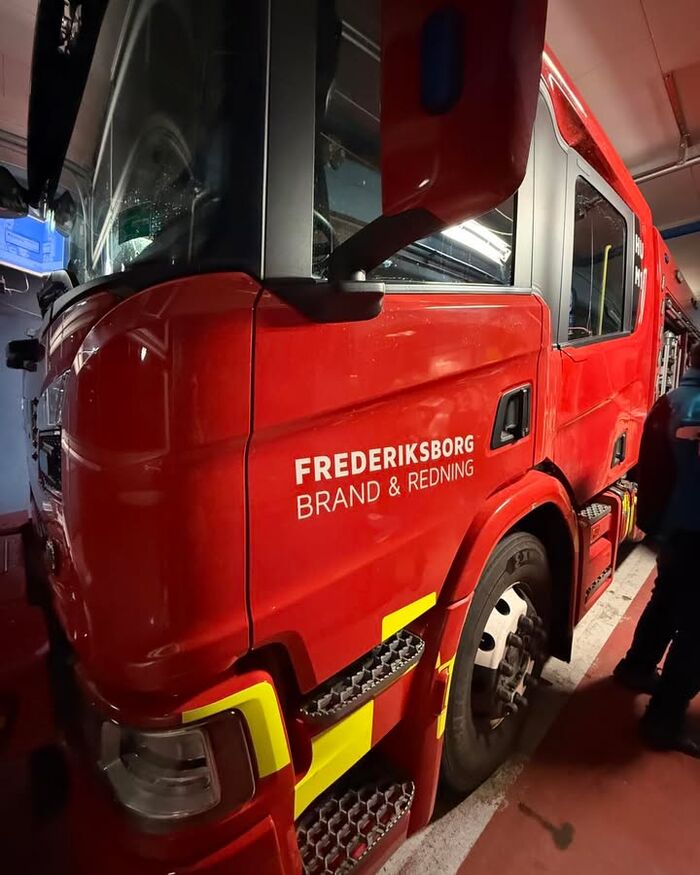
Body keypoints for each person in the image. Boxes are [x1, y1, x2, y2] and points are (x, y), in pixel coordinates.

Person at [613, 340, 700, 756]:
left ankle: (637, 666)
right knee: (696, 631)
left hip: (675, 527)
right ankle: (663, 721)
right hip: (695, 530)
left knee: (665, 601)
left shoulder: (674, 398)